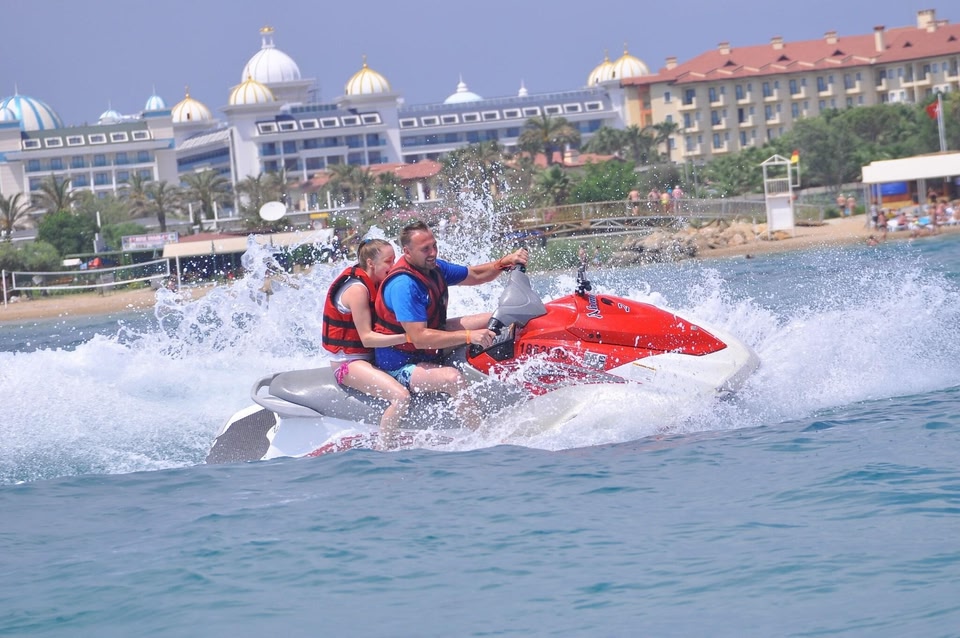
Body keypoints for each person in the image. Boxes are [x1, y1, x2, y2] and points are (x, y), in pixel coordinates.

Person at [373, 220, 528, 429]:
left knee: (498, 317)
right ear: (407, 252)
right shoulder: (404, 285)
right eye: (425, 249)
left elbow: (475, 275)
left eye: (434, 245)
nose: (433, 253)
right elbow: (419, 338)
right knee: (453, 379)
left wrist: (504, 263)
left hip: (429, 345)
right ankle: (481, 434)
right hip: (400, 363)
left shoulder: (433, 268)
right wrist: (469, 336)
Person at [322, 238, 410, 449]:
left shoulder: (378, 282)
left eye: (394, 260)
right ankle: (383, 449)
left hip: (370, 359)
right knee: (401, 397)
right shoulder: (358, 290)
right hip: (348, 364)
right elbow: (367, 338)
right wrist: (409, 337)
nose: (393, 265)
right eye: (388, 261)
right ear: (371, 263)